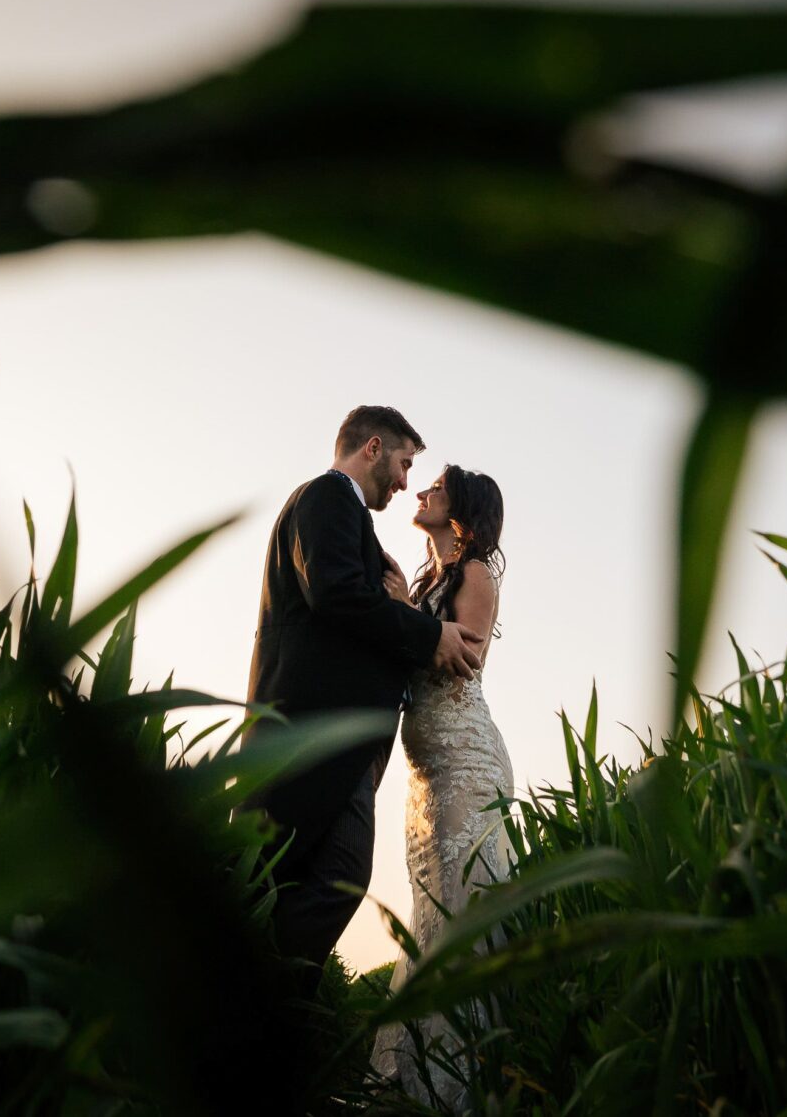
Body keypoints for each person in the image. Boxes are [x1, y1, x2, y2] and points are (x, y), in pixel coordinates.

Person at [246, 406, 486, 997]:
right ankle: (254, 1012)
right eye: (406, 463)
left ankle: (257, 1023)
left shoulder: (349, 516)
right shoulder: (326, 498)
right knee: (330, 880)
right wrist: (429, 633)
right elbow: (337, 595)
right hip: (315, 736)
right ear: (373, 448)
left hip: (337, 743)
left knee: (309, 883)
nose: (407, 481)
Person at [370, 464, 514, 1112]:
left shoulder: (475, 572)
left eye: (436, 488)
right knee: (431, 913)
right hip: (426, 771)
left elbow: (468, 655)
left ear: (460, 512)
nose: (422, 491)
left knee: (462, 910)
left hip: (464, 758)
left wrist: (401, 611)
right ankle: (420, 1084)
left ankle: (465, 1088)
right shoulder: (427, 578)